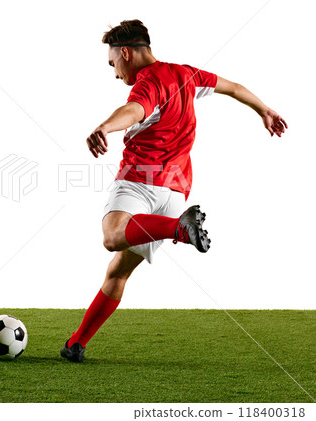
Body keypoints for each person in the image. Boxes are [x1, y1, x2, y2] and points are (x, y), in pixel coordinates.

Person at [60, 19, 288, 363]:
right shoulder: (187, 75)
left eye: (113, 63)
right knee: (119, 270)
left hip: (140, 182)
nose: (115, 73)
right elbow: (235, 87)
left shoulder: (147, 82)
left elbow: (134, 109)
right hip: (175, 193)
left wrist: (104, 127)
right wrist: (264, 110)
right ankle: (76, 343)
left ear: (125, 53)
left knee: (111, 237)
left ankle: (180, 228)